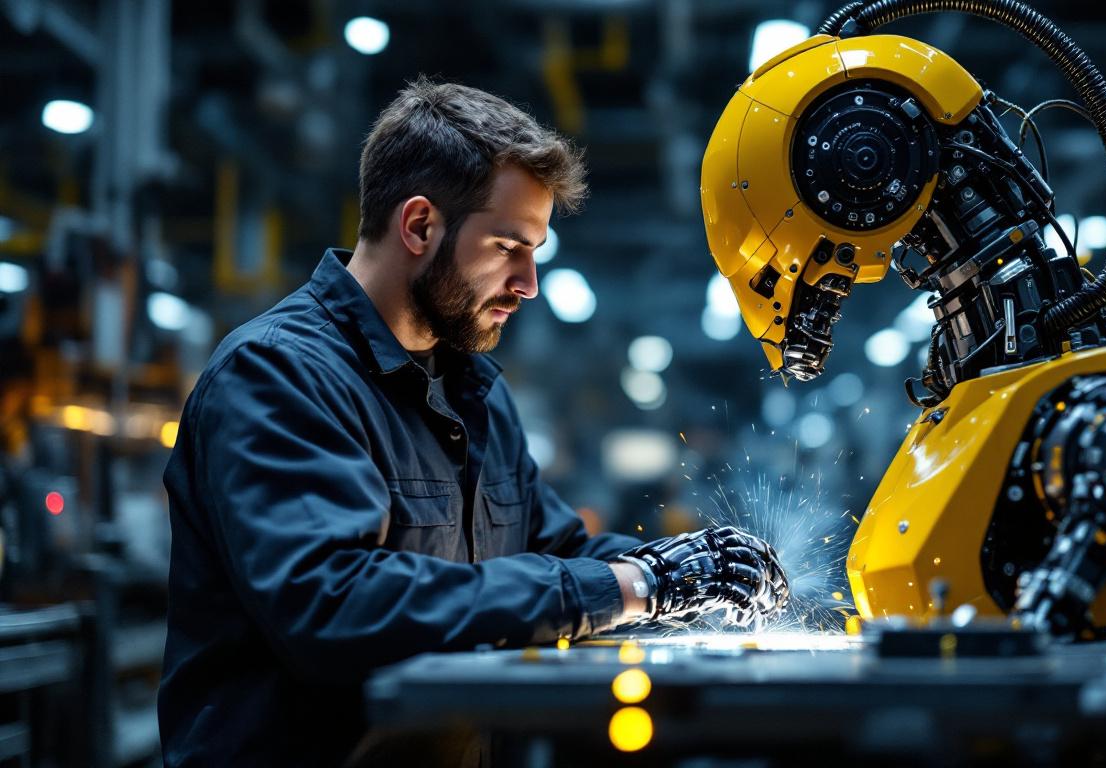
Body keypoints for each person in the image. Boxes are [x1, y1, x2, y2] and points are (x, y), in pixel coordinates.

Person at [157, 76, 789, 766]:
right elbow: (334, 605)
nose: (528, 284)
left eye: (534, 253)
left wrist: (684, 569)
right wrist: (634, 587)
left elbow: (551, 552)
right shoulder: (278, 376)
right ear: (420, 225)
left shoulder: (471, 390)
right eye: (507, 247)